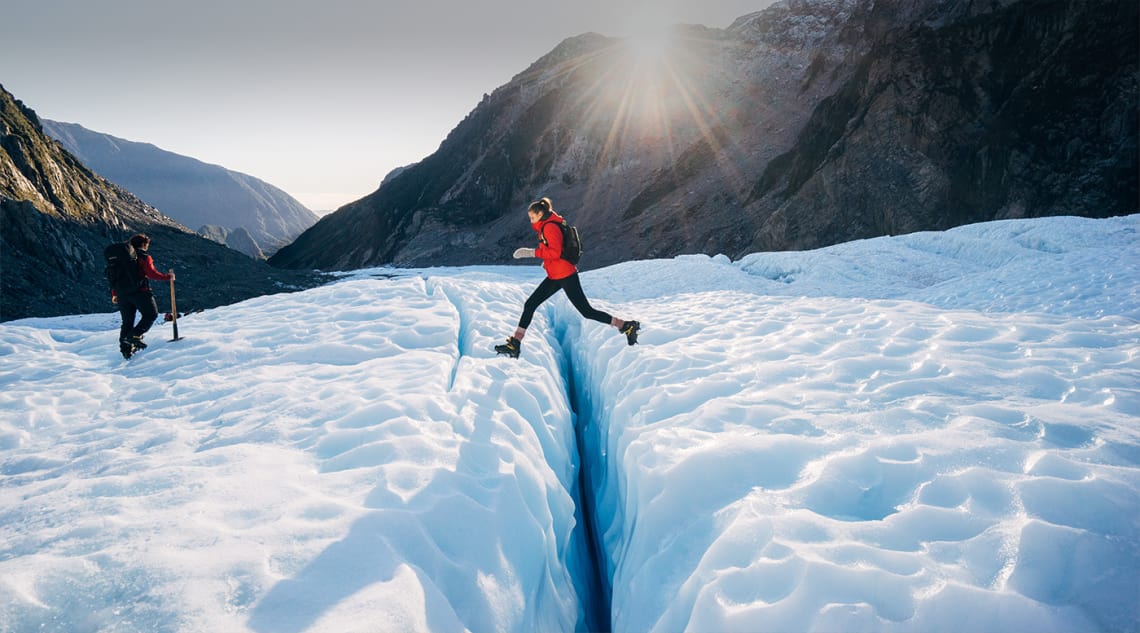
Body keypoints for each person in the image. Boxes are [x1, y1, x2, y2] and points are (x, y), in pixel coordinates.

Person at [495, 197, 639, 359]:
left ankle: (626, 325)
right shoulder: (547, 225)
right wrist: (547, 262)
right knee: (530, 304)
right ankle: (515, 343)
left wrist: (531, 252)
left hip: (565, 275)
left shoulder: (549, 227)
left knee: (586, 311)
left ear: (540, 213)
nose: (531, 220)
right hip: (556, 274)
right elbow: (554, 251)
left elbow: (555, 252)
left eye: (532, 217)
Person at [113, 233, 174, 358]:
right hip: (140, 292)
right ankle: (134, 336)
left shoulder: (120, 259)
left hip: (122, 294)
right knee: (151, 314)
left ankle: (126, 350)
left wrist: (114, 293)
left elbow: (115, 277)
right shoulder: (143, 257)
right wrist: (168, 277)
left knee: (127, 321)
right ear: (144, 244)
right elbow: (151, 274)